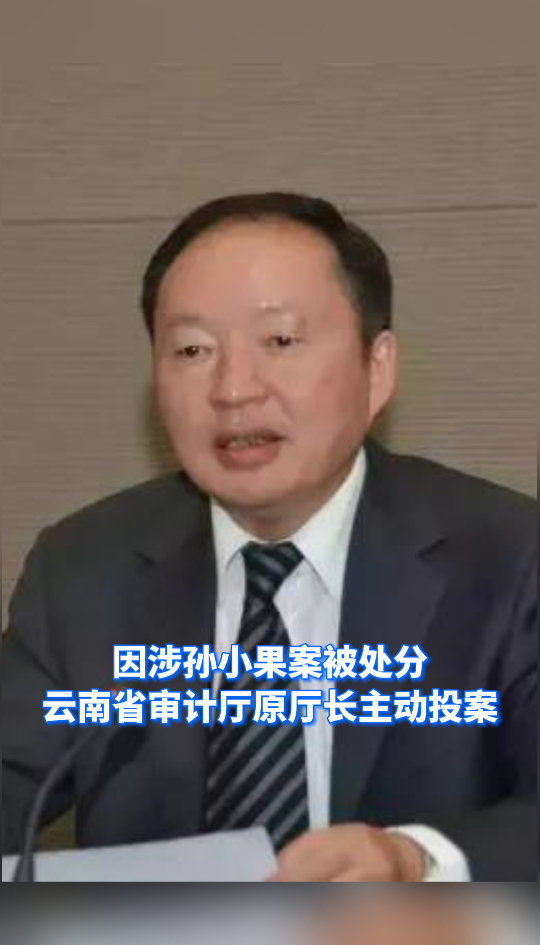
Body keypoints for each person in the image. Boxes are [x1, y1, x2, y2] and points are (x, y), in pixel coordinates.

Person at [2, 192, 536, 881]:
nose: (233, 389)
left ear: (377, 368)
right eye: (192, 349)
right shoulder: (83, 568)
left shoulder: (511, 557)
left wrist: (415, 860)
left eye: (280, 341)